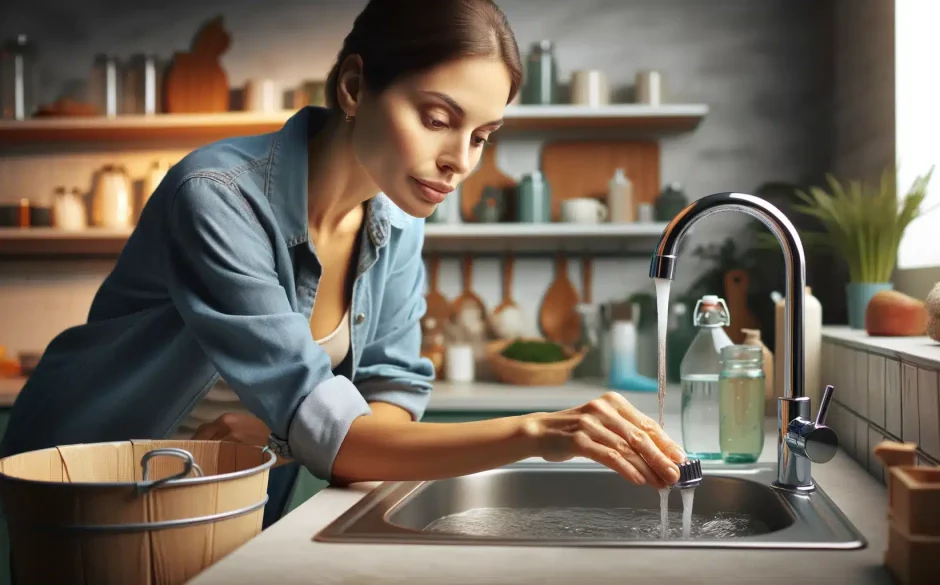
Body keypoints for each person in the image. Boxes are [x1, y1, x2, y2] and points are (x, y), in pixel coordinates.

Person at [0, 0, 684, 527]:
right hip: (87, 489)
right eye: (438, 117)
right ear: (355, 86)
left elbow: (387, 408)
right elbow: (340, 433)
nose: (462, 160)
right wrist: (539, 431)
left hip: (230, 499)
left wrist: (282, 438)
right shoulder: (215, 197)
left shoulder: (399, 219)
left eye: (481, 135)